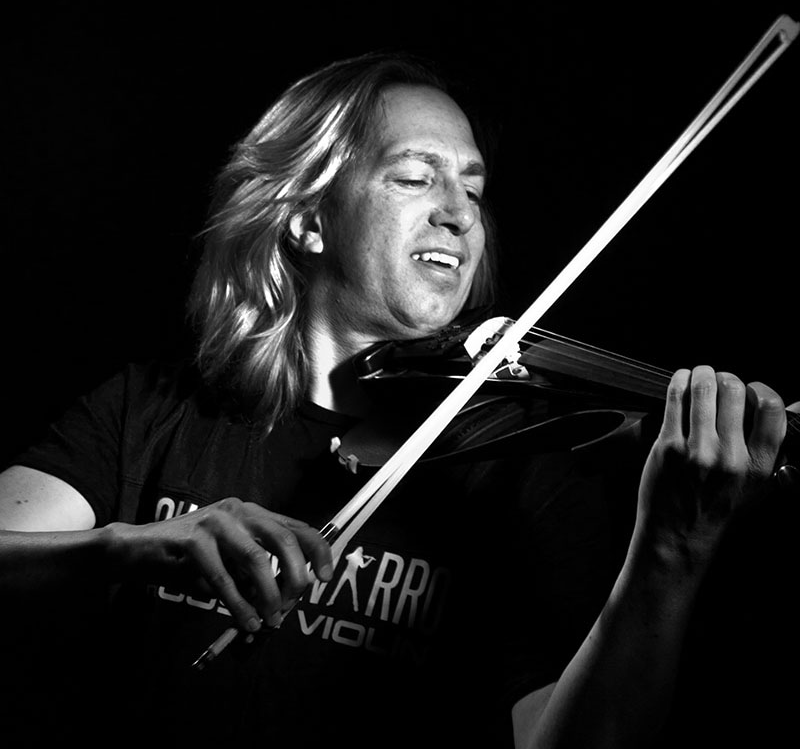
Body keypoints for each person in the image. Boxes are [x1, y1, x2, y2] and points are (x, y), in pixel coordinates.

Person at [0, 51, 792, 748]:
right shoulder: (152, 410)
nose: (460, 212)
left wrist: (671, 555)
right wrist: (130, 547)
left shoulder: (516, 476)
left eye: (473, 189)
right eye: (415, 178)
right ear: (308, 219)